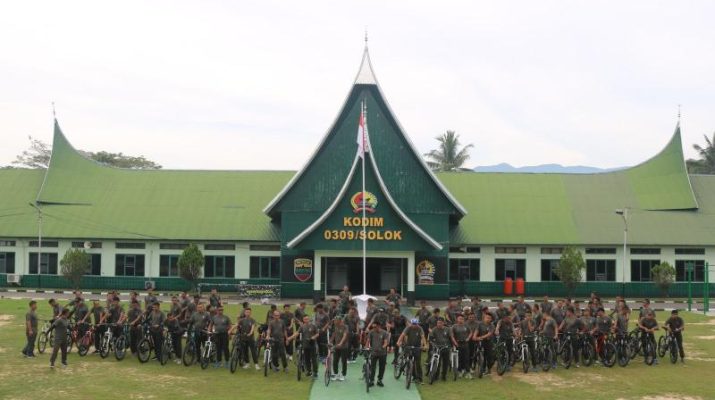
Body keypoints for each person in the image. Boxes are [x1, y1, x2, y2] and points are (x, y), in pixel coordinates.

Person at [397, 318, 426, 383]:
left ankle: (419, 378)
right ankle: (412, 375)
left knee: (417, 362)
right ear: (411, 323)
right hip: (408, 345)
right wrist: (398, 342)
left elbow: (423, 337)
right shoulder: (408, 328)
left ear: (417, 324)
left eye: (415, 324)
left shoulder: (420, 328)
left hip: (417, 347)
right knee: (409, 360)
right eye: (413, 324)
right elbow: (402, 335)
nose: (414, 325)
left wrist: (425, 345)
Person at [367, 322, 390, 388]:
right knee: (373, 367)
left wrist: (382, 347)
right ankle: (371, 380)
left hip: (382, 353)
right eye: (373, 327)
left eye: (375, 327)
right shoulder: (371, 332)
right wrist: (367, 347)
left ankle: (379, 380)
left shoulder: (385, 333)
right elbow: (368, 341)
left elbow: (386, 342)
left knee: (382, 367)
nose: (373, 328)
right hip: (373, 353)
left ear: (379, 326)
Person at [429, 317, 451, 381]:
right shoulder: (434, 329)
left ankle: (444, 376)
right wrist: (433, 344)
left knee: (446, 363)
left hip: (446, 348)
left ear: (443, 323)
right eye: (438, 323)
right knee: (438, 362)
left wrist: (451, 346)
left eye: (440, 323)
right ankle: (436, 375)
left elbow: (450, 338)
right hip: (437, 348)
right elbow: (431, 338)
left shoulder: (447, 329)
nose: (439, 324)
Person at [330, 316, 349, 381]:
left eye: (335, 320)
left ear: (340, 321)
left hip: (344, 347)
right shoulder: (335, 326)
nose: (334, 322)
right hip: (336, 347)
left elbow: (345, 335)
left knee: (344, 361)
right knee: (335, 360)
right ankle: (336, 374)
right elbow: (334, 334)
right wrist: (330, 341)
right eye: (334, 320)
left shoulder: (345, 327)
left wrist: (341, 343)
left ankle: (343, 375)